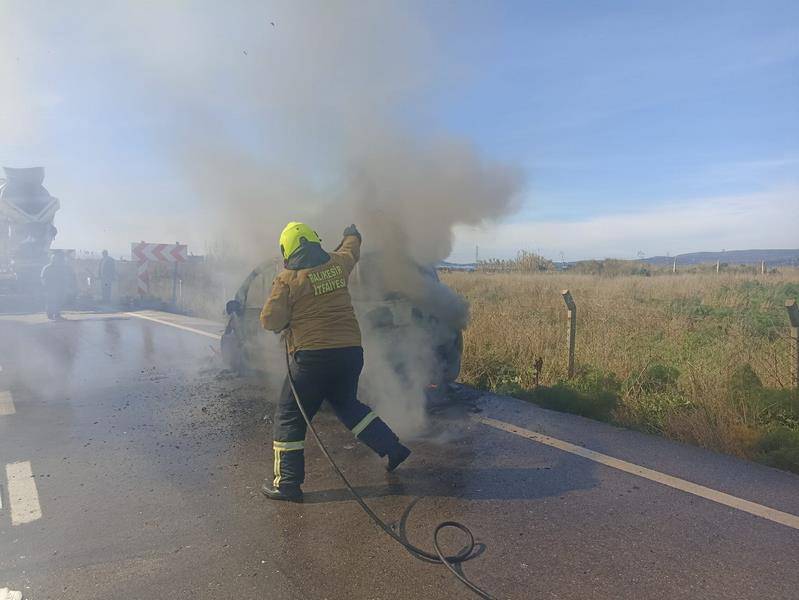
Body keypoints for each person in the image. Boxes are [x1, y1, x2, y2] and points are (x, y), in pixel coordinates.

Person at [259, 222, 411, 502]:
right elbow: (352, 248)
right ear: (314, 241)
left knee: (290, 415)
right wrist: (351, 233)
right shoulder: (337, 263)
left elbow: (270, 320)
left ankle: (287, 484)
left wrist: (289, 317)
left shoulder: (288, 279)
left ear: (288, 249)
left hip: (313, 359)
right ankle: (392, 448)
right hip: (350, 354)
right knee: (348, 405)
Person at [41, 252, 75, 320]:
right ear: (52, 259)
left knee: (59, 301)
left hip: (60, 287)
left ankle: (57, 314)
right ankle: (50, 314)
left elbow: (65, 277)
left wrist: (67, 286)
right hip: (51, 288)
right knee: (51, 301)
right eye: (55, 259)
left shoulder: (61, 268)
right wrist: (45, 287)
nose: (57, 260)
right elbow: (43, 278)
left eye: (58, 259)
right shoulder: (47, 268)